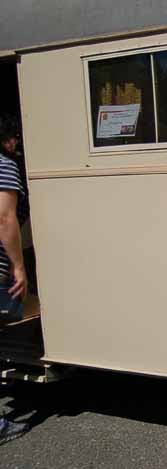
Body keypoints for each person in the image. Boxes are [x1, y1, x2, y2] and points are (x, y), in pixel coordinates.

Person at [0, 114, 29, 444]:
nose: (17, 143)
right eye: (12, 136)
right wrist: (18, 266)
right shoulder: (5, 166)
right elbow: (5, 218)